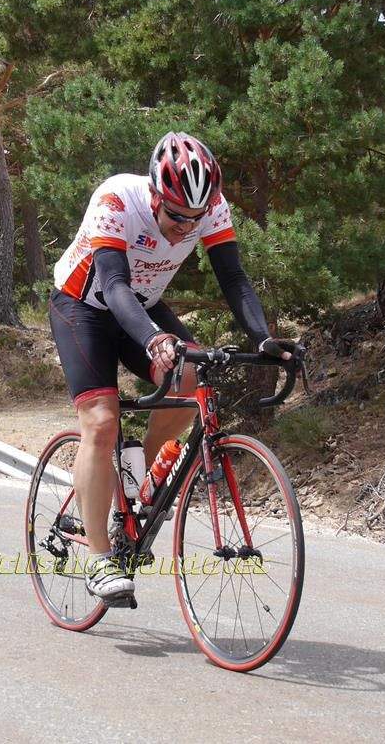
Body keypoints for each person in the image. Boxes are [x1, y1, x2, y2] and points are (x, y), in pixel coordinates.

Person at [49, 131, 288, 603]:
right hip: (84, 305)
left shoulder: (212, 208)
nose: (185, 228)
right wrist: (154, 339)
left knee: (189, 375)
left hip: (142, 303)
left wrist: (262, 337)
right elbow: (113, 285)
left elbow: (234, 279)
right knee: (101, 420)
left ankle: (144, 486)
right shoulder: (117, 199)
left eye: (195, 219)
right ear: (155, 195)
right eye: (176, 216)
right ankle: (99, 560)